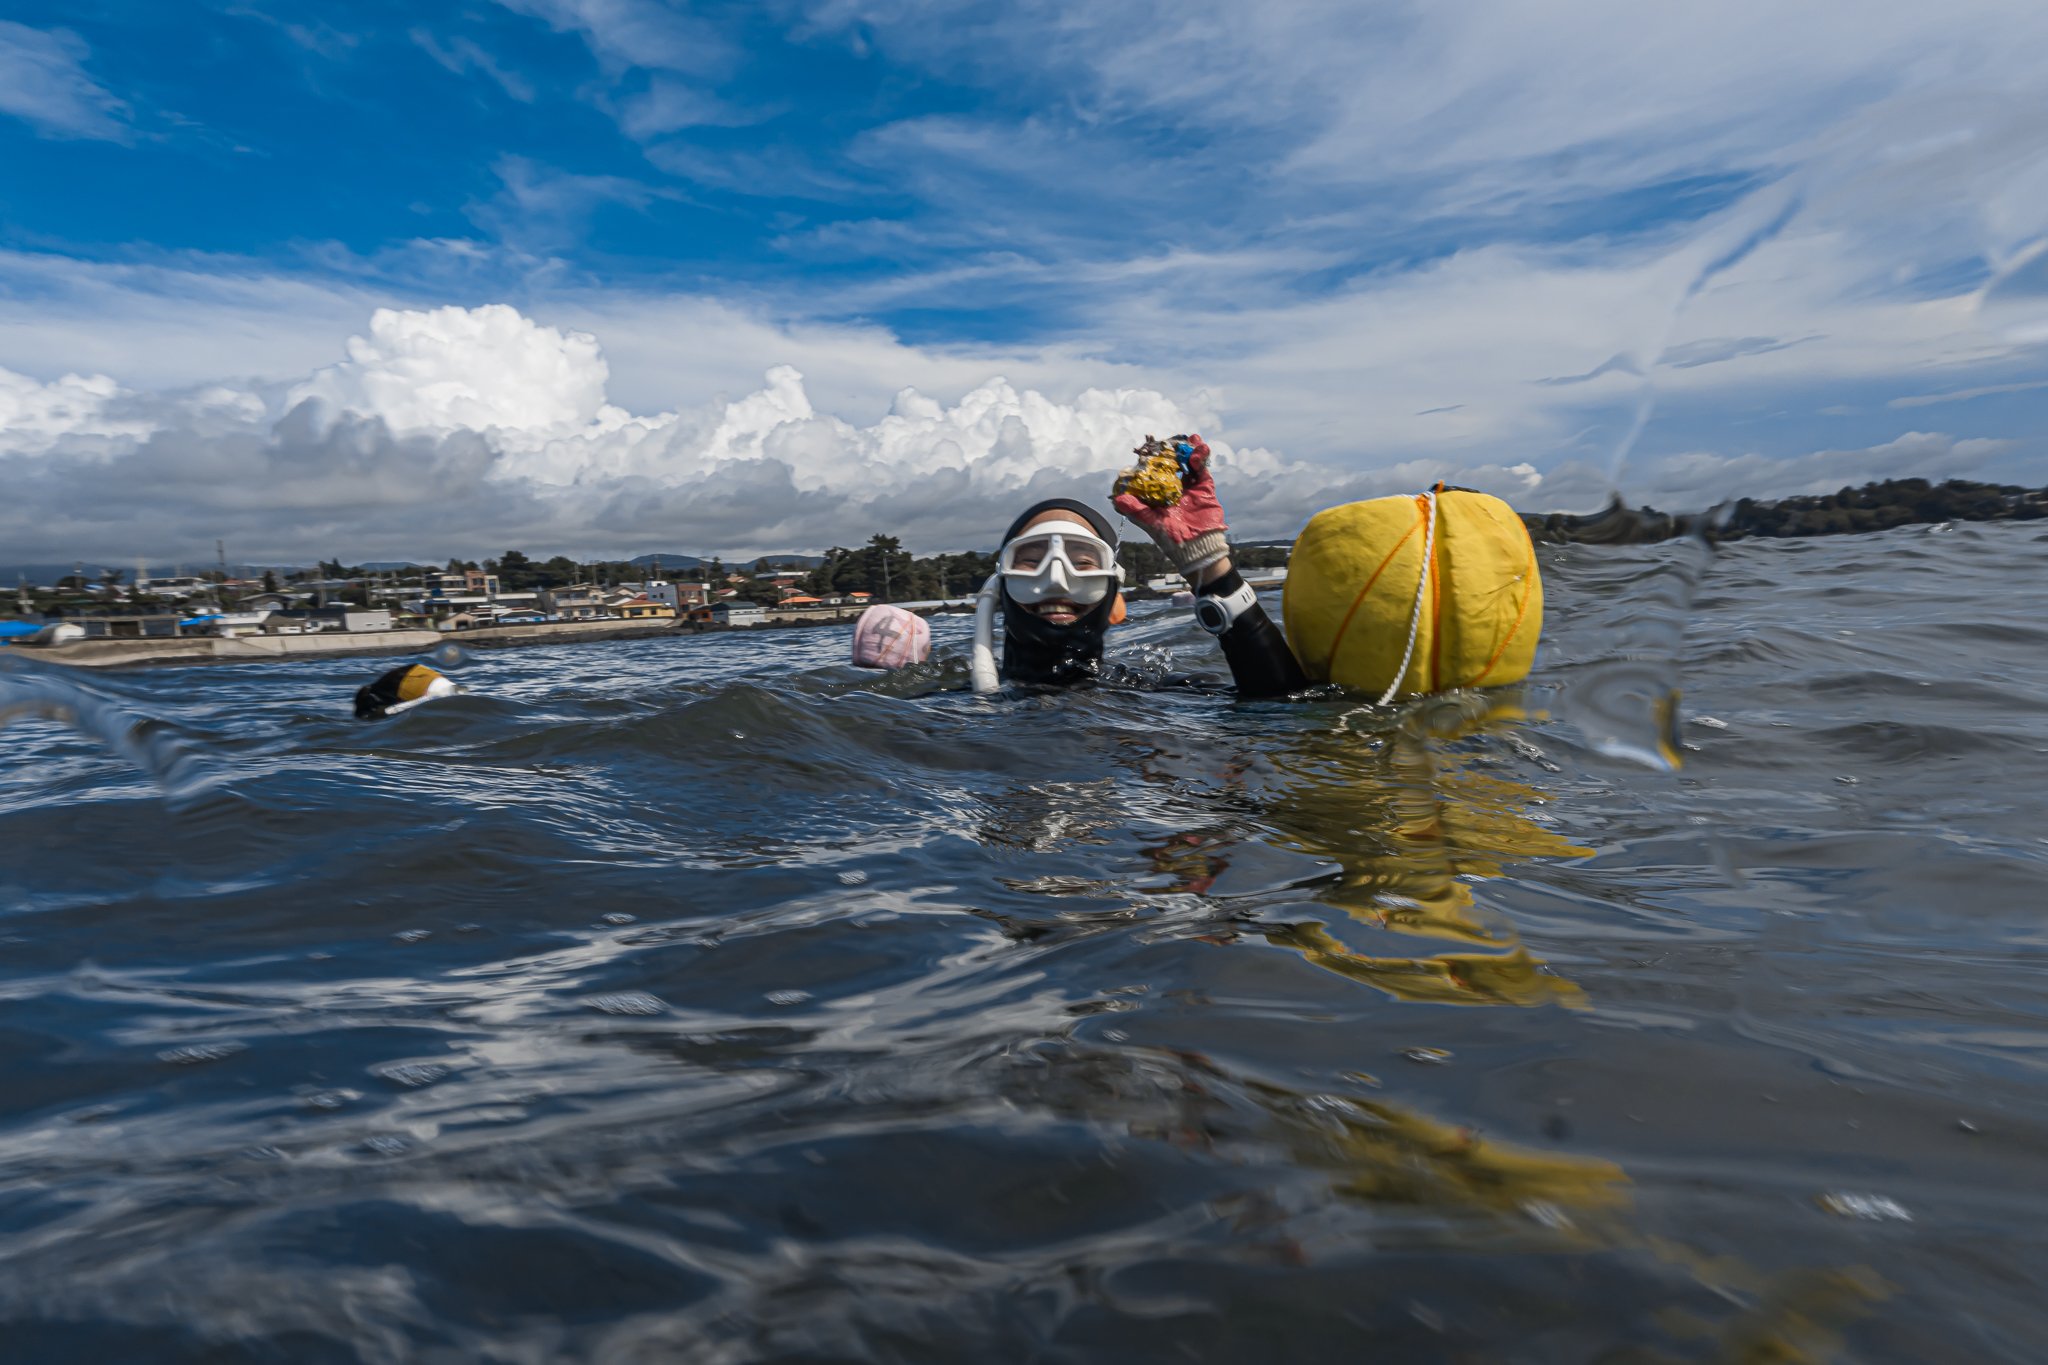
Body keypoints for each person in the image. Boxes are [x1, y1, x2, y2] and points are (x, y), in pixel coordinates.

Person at [970, 435, 1308, 698]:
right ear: (999, 589)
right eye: (1030, 561)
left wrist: (1210, 567)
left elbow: (1284, 711)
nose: (1056, 578)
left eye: (1084, 562)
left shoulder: (1167, 691)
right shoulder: (948, 702)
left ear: (1116, 600)